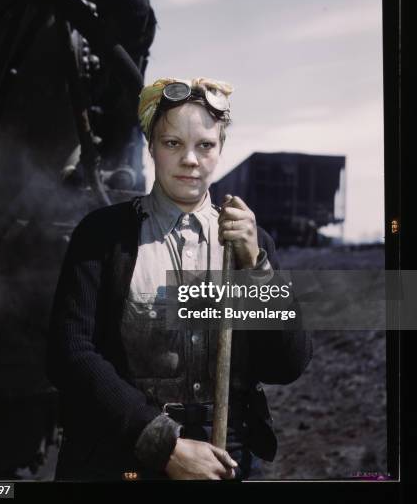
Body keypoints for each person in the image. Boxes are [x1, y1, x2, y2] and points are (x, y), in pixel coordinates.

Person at [46, 76, 312, 481]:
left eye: (205, 145)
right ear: (152, 147)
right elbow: (69, 353)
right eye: (173, 144)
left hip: (227, 459)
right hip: (121, 455)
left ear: (220, 150)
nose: (190, 159)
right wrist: (161, 442)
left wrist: (256, 267)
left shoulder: (253, 245)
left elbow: (287, 364)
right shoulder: (103, 235)